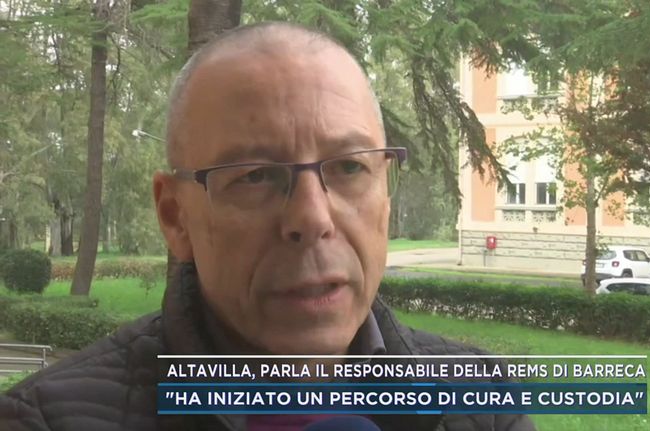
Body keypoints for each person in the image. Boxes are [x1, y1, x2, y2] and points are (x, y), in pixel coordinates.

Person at [0, 22, 535, 431]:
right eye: (255, 175)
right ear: (175, 216)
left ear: (385, 196)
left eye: (350, 168)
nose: (312, 218)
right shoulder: (41, 420)